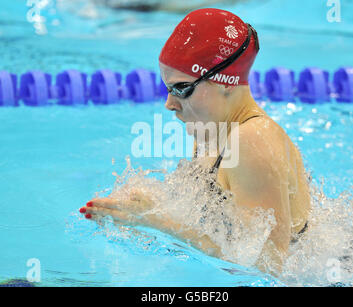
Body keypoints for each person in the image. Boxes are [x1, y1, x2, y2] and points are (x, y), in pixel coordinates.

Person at [79, 8, 310, 275]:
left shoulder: (251, 141)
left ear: (226, 83)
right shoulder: (212, 129)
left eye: (182, 88)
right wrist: (140, 209)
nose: (169, 104)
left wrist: (160, 223)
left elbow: (265, 270)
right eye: (167, 88)